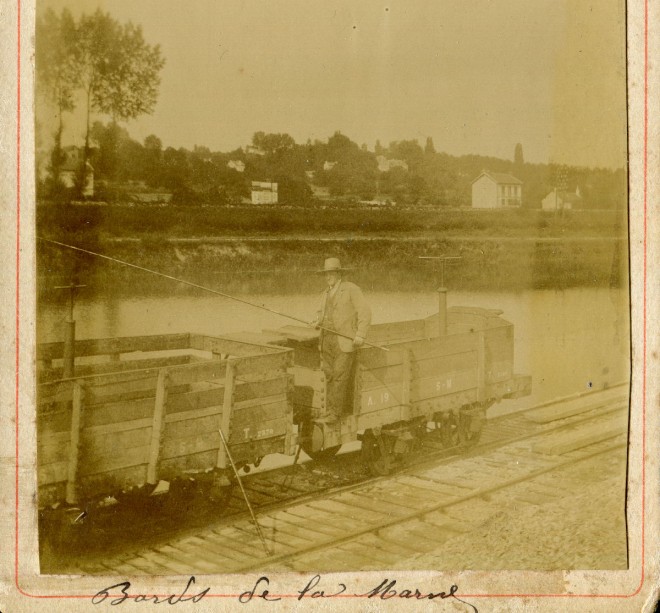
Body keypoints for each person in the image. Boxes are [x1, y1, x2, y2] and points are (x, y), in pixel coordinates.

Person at [313, 258, 371, 421]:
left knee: (340, 375)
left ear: (339, 273)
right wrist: (317, 321)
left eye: (331, 273)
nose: (328, 277)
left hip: (344, 342)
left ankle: (336, 413)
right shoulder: (325, 293)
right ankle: (331, 410)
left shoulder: (351, 289)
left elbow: (365, 312)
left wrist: (360, 334)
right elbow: (319, 313)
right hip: (326, 340)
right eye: (326, 274)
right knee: (330, 375)